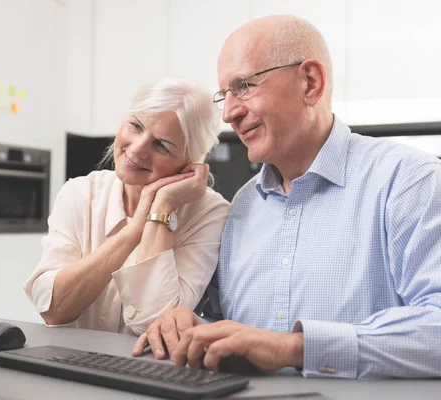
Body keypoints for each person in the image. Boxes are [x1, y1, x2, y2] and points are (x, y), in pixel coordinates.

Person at [134, 15, 441, 379]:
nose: (229, 113)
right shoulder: (245, 204)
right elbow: (230, 326)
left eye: (244, 86)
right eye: (225, 95)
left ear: (310, 82)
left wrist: (292, 348)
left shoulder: (411, 181)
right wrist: (191, 324)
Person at [24, 77, 230, 335]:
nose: (138, 148)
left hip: (152, 370)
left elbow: (154, 324)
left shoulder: (210, 214)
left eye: (161, 145)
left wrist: (162, 208)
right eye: (135, 126)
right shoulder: (80, 193)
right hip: (69, 364)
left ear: (190, 164)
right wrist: (133, 232)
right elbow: (52, 309)